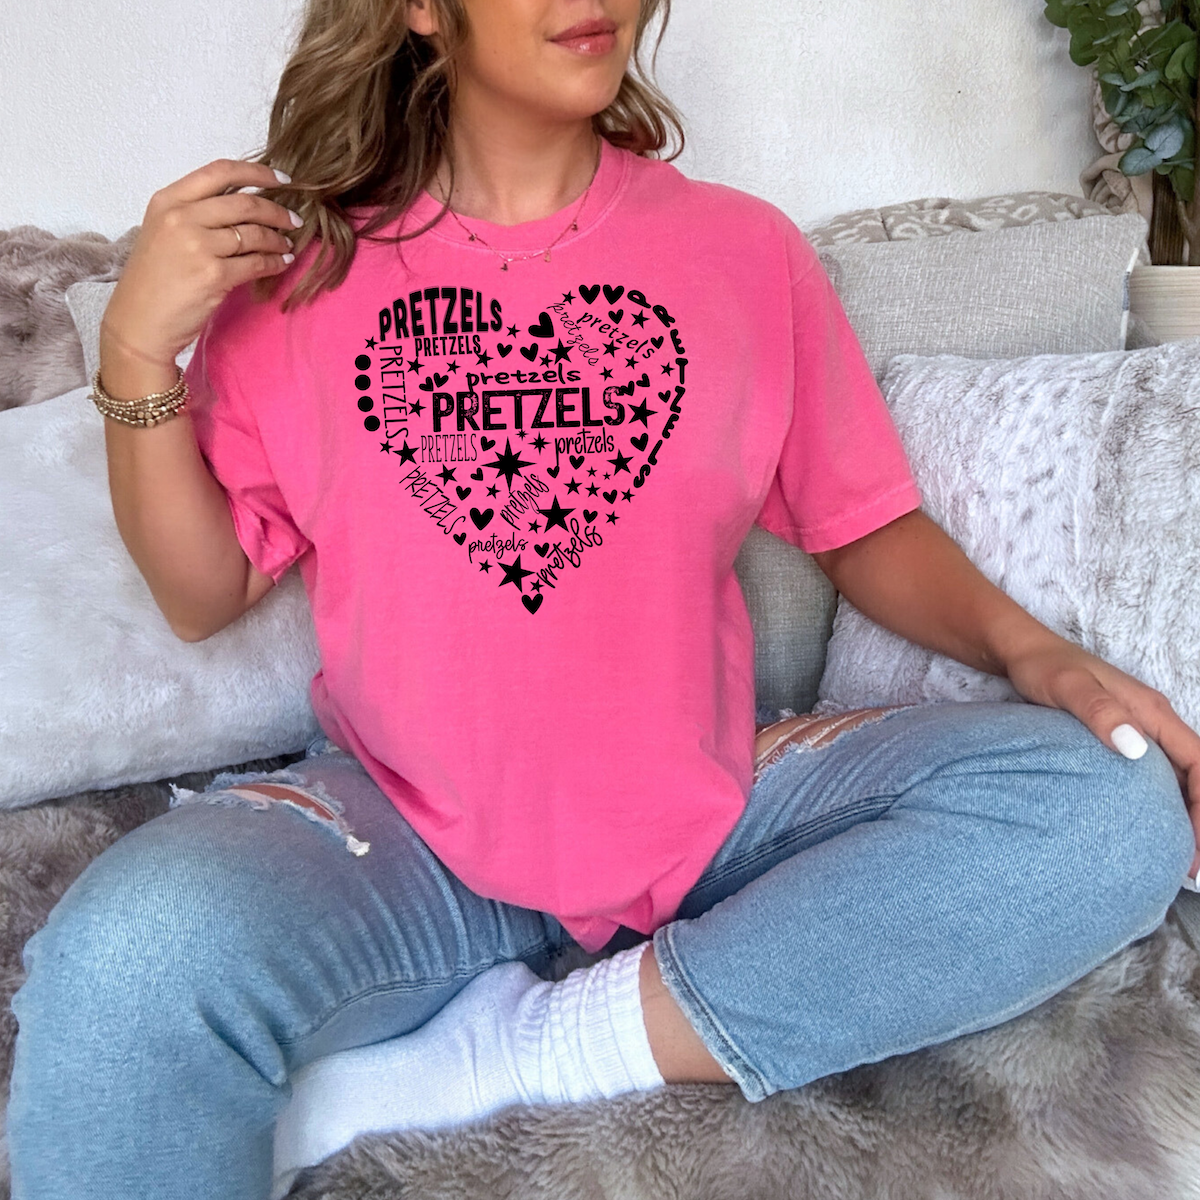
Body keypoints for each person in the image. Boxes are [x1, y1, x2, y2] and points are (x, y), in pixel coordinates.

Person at [9, 1, 1200, 1197]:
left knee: (1110, 801)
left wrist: (1036, 652)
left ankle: (521, 1051)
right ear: (421, 9)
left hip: (714, 802)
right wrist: (135, 356)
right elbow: (201, 593)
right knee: (128, 960)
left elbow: (860, 524)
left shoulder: (742, 251)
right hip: (404, 824)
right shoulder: (301, 282)